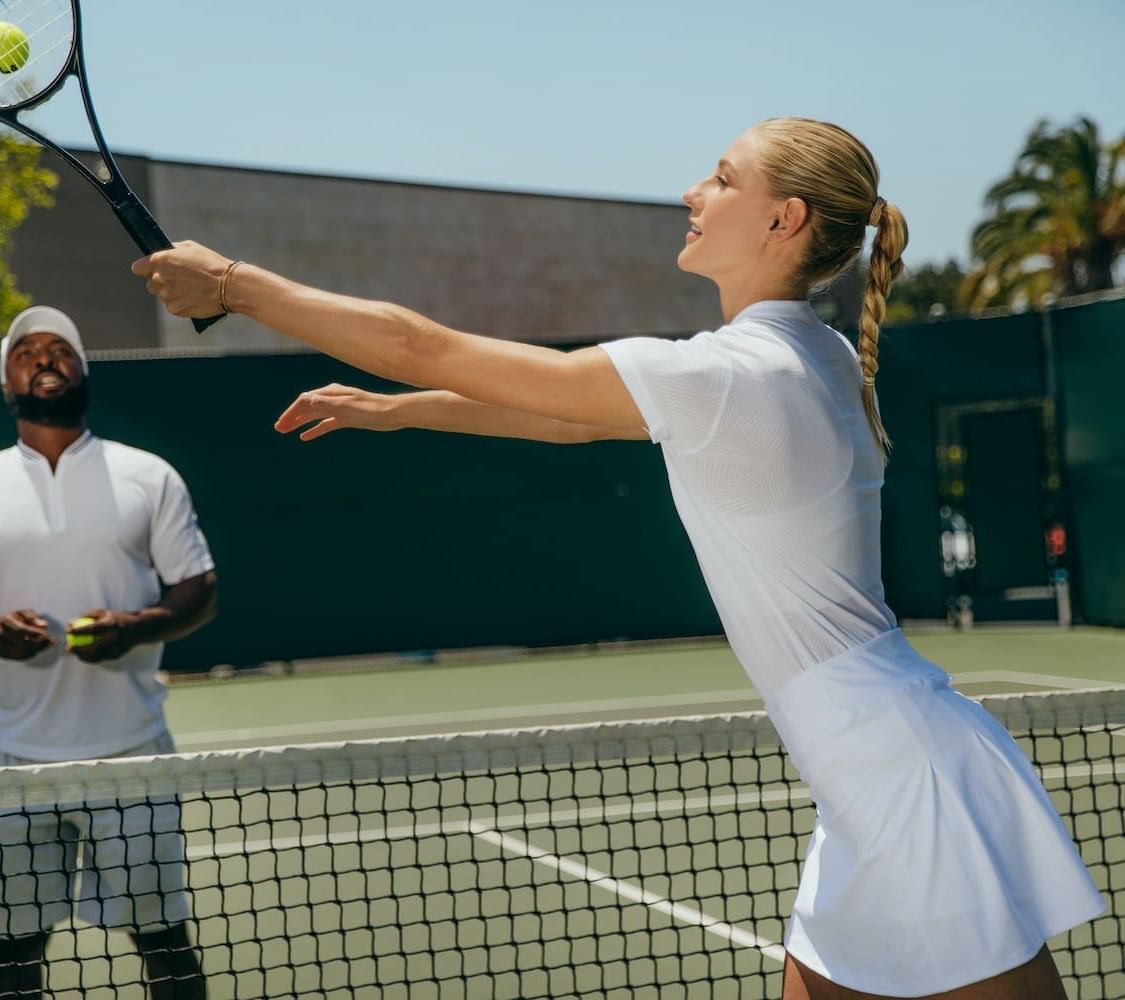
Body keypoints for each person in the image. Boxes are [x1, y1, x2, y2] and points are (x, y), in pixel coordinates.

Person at [132, 117, 1104, 999]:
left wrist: (230, 283)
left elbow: (415, 340)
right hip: (870, 763)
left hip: (896, 768)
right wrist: (396, 411)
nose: (692, 192)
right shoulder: (803, 355)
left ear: (785, 219)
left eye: (721, 178)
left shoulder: (738, 374)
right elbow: (568, 421)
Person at [0, 305, 216, 999]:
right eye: (27, 351)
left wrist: (134, 627)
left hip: (133, 755)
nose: (44, 358)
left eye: (60, 349)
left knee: (166, 944)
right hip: (14, 760)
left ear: (82, 369)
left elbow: (199, 589)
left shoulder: (149, 476)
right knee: (13, 956)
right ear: (5, 382)